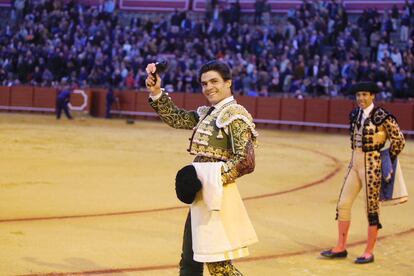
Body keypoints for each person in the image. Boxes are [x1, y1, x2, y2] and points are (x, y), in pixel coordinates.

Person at [145, 60, 258, 276]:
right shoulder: (208, 113)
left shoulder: (235, 115)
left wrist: (209, 178)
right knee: (190, 260)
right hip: (202, 196)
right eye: (204, 83)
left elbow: (246, 161)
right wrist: (157, 91)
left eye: (214, 81)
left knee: (220, 268)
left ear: (228, 83)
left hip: (218, 198)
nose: (208, 87)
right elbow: (178, 119)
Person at [320, 82, 405, 264]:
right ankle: (341, 247)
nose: (361, 98)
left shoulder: (382, 116)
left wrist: (386, 160)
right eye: (358, 95)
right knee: (343, 204)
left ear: (372, 96)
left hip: (372, 165)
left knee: (371, 209)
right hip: (355, 163)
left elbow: (399, 140)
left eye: (365, 95)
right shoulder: (354, 114)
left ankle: (369, 251)